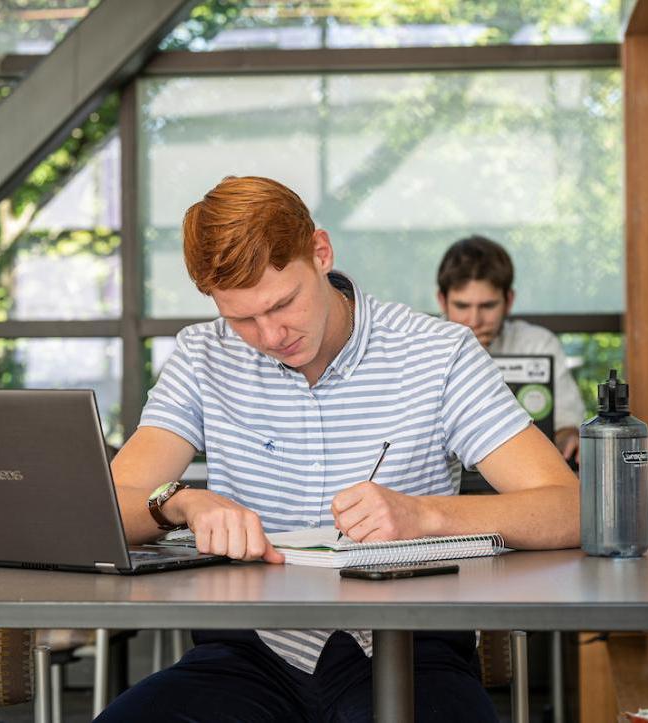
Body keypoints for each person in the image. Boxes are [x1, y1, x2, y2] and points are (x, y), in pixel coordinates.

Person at [99, 177, 578, 722]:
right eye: (242, 319)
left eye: (283, 304)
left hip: (407, 652)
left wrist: (424, 513)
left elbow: (569, 507)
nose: (271, 335)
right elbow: (108, 502)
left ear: (320, 253)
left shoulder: (439, 353)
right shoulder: (204, 355)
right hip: (247, 654)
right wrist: (180, 502)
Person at [436, 235, 587, 462]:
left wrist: (569, 437)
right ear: (442, 301)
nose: (474, 319)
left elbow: (567, 424)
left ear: (509, 300)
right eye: (462, 306)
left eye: (487, 306)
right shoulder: (421, 347)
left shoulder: (537, 344)